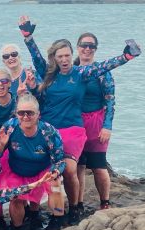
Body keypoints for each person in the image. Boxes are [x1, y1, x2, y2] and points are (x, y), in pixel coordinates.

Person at [19, 15, 139, 225]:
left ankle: (75, 208)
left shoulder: (82, 73)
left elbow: (105, 66)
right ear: (55, 58)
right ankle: (42, 212)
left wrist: (126, 57)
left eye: (67, 55)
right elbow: (35, 55)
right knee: (46, 172)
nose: (64, 60)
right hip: (48, 129)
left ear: (71, 55)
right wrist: (28, 37)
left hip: (73, 129)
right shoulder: (48, 73)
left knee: (70, 169)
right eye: (60, 56)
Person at [0, 94, 66, 230]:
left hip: (42, 170)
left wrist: (55, 172)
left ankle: (57, 219)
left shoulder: (49, 132)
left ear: (38, 114)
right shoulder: (9, 127)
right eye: (21, 113)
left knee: (56, 184)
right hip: (17, 169)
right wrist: (1, 145)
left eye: (30, 113)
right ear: (16, 113)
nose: (25, 116)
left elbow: (60, 160)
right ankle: (18, 228)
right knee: (15, 197)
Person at [74, 32, 115, 215]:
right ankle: (79, 203)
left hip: (97, 122)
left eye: (91, 46)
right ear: (77, 47)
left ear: (95, 50)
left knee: (99, 165)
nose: (87, 49)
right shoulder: (72, 71)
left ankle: (105, 202)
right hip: (76, 123)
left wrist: (107, 126)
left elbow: (110, 101)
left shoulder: (102, 72)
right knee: (79, 166)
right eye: (84, 45)